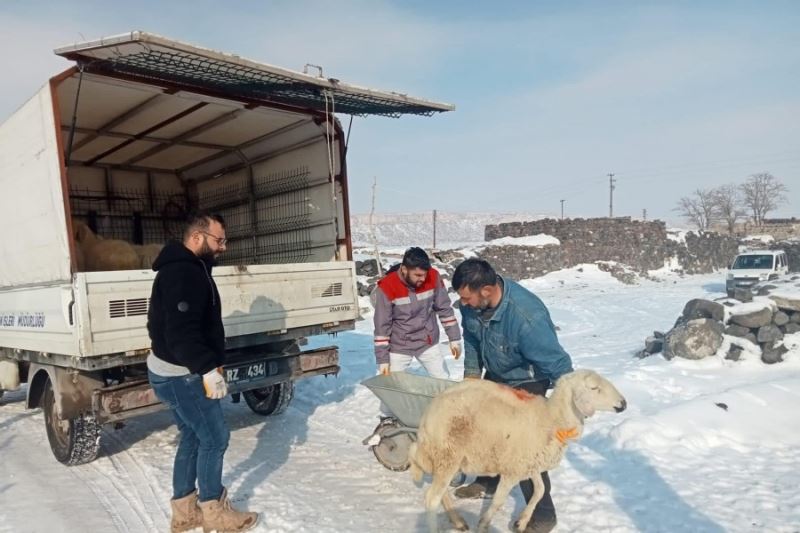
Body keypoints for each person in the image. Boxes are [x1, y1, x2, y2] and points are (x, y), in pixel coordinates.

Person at [147, 211, 258, 533]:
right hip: (182, 375)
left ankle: (184, 513)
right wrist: (207, 369)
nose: (223, 247)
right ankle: (214, 513)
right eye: (219, 240)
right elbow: (181, 333)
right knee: (214, 438)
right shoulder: (183, 273)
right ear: (197, 237)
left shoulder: (190, 268)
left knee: (193, 436)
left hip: (173, 371)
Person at [450, 258, 573, 533]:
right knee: (483, 428)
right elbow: (471, 338)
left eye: (467, 297)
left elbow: (558, 364)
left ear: (486, 291)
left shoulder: (527, 318)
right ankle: (489, 480)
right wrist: (472, 376)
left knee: (523, 448)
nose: (463, 303)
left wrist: (565, 409)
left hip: (528, 381)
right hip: (497, 373)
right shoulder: (472, 306)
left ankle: (543, 514)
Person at [373, 247, 462, 407]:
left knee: (443, 381)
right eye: (418, 275)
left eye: (424, 274)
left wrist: (454, 338)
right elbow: (382, 326)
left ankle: (448, 410)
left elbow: (444, 309)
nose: (422, 279)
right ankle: (387, 417)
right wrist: (383, 360)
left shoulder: (433, 277)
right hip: (399, 345)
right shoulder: (387, 286)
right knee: (390, 385)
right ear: (404, 269)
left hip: (427, 341)